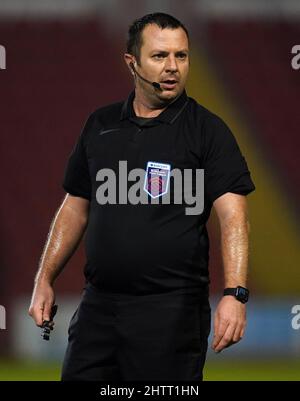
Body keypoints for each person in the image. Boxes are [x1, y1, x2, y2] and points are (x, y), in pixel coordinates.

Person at [29, 12, 255, 381]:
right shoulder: (100, 125)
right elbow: (74, 207)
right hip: (99, 309)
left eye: (181, 56)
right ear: (131, 62)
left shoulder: (208, 131)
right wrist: (45, 278)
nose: (172, 67)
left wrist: (236, 293)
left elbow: (234, 217)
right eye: (160, 56)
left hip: (172, 312)